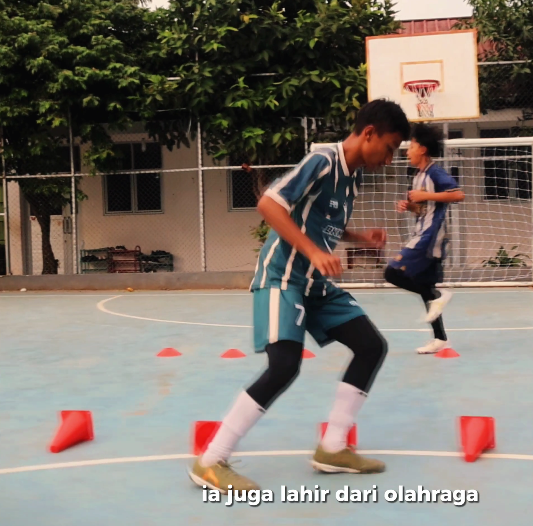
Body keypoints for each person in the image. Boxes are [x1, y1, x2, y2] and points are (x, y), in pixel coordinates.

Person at [188, 99, 411, 493]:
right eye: (390, 148)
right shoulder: (323, 160)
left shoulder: (353, 177)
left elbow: (321, 222)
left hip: (316, 285)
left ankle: (333, 448)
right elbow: (269, 203)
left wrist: (358, 237)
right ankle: (211, 461)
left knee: (371, 346)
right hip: (283, 279)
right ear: (369, 133)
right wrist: (313, 252)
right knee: (284, 365)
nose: (390, 159)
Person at [384, 123, 465, 354]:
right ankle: (440, 339)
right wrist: (411, 206)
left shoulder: (434, 173)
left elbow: (458, 194)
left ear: (422, 149)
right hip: (423, 232)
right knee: (424, 287)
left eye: (411, 146)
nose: (407, 151)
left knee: (391, 273)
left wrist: (424, 195)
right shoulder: (418, 176)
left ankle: (440, 296)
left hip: (430, 236)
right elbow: (424, 210)